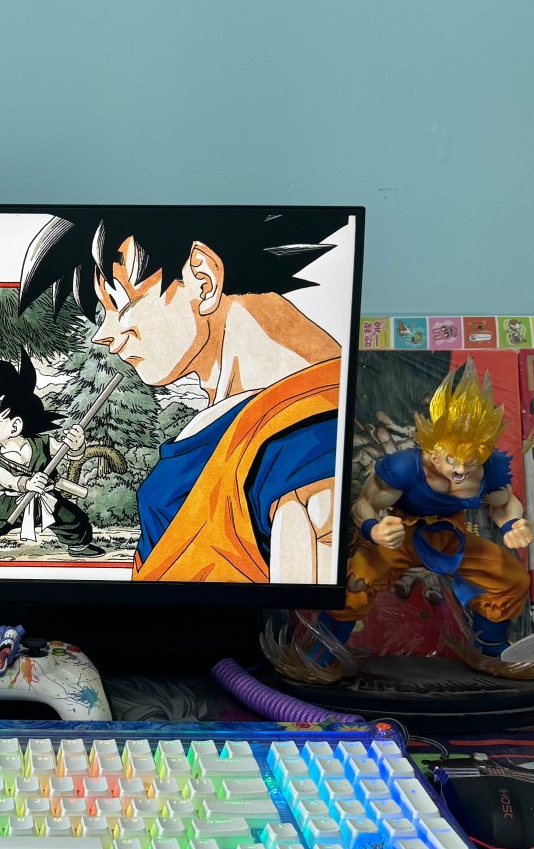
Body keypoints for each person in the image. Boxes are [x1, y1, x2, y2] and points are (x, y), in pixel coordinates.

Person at [17, 208, 347, 582]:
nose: (104, 335)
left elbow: (301, 612)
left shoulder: (306, 439)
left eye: (121, 303)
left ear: (203, 280)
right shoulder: (240, 412)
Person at [323, 363, 533, 657]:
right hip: (401, 537)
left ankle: (490, 652)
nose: (461, 470)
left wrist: (513, 525)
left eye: (471, 461)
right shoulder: (405, 467)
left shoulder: (487, 468)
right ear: (435, 454)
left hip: (450, 538)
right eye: (453, 460)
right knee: (355, 584)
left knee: (510, 578)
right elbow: (364, 504)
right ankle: (323, 653)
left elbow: (503, 503)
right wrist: (374, 528)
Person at [0, 351, 100, 558]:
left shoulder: (43, 443)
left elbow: (69, 454)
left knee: (73, 520)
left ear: (15, 426)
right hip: (13, 502)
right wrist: (25, 484)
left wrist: (76, 446)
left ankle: (78, 546)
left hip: (48, 497)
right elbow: (4, 478)